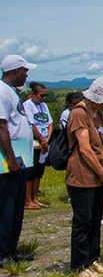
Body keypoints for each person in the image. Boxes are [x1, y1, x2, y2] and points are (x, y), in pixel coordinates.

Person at [65, 77, 103, 277]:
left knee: (96, 219)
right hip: (83, 174)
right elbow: (85, 148)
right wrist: (101, 173)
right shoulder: (79, 113)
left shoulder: (98, 113)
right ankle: (79, 265)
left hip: (98, 173)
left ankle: (92, 258)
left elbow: (102, 141)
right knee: (83, 221)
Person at [0, 55, 37, 267]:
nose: (27, 74)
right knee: (6, 206)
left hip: (21, 157)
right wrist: (10, 158)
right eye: (24, 70)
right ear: (16, 71)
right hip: (9, 159)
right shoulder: (2, 92)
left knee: (16, 207)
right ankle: (2, 252)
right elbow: (1, 127)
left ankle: (11, 248)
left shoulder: (12, 92)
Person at [23, 82, 52, 210]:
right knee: (31, 171)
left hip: (44, 143)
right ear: (33, 94)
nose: (43, 98)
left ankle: (35, 198)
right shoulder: (27, 106)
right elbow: (31, 124)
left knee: (39, 172)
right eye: (41, 95)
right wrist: (40, 139)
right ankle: (27, 200)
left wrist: (47, 139)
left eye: (45, 95)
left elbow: (50, 123)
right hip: (33, 143)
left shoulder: (44, 106)